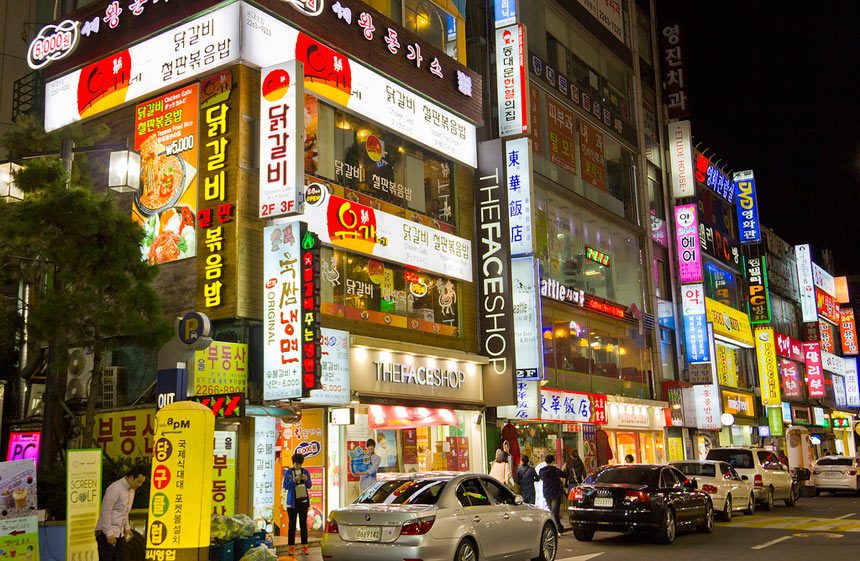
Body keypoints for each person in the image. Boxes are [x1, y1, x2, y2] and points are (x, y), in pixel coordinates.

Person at [95, 465, 147, 561]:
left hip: (119, 533)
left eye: (142, 483)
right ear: (131, 478)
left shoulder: (131, 490)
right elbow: (105, 511)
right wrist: (109, 533)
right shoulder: (115, 488)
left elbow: (125, 510)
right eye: (139, 482)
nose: (140, 485)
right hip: (105, 532)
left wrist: (127, 528)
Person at [282, 452, 312, 556]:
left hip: (303, 502)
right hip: (292, 503)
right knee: (292, 525)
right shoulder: (289, 473)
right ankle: (291, 548)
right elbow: (285, 486)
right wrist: (294, 481)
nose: (297, 466)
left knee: (303, 524)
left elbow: (309, 485)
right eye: (295, 464)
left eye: (299, 464)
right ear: (293, 463)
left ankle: (305, 547)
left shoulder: (305, 472)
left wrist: (305, 479)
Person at [539, 454, 567, 533]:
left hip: (547, 493)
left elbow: (540, 478)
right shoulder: (555, 470)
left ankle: (558, 527)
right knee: (554, 512)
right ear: (553, 461)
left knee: (552, 512)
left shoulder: (542, 471)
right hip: (555, 493)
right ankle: (557, 527)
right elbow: (564, 475)